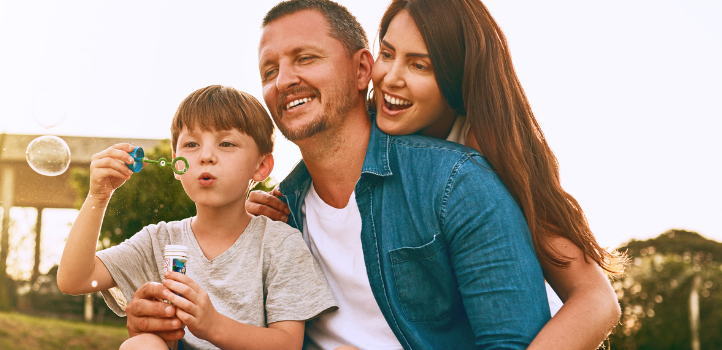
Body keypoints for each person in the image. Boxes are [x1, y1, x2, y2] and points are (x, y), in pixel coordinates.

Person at [125, 1, 552, 349]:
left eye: (305, 58)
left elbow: (512, 341)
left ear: (362, 69)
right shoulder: (276, 215)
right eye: (269, 71)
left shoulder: (454, 182)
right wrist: (162, 322)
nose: (285, 80)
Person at [253, 0, 625, 348]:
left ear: (453, 80)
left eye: (420, 65)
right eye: (388, 54)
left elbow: (596, 299)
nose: (391, 79)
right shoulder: (295, 196)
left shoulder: (475, 162)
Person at [57, 85, 337, 350]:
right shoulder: (159, 240)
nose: (206, 156)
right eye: (191, 144)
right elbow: (74, 279)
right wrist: (98, 197)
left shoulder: (279, 243)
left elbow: (288, 343)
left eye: (226, 143)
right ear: (177, 164)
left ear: (261, 166)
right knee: (140, 344)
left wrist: (214, 326)